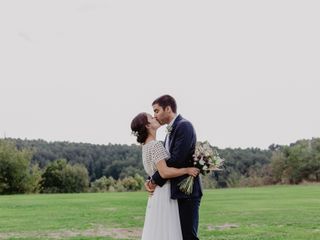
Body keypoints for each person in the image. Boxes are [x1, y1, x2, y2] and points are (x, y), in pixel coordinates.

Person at [131, 112, 199, 240]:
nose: (155, 117)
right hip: (164, 192)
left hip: (156, 194)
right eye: (151, 117)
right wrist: (186, 170)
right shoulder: (155, 145)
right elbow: (164, 172)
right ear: (147, 126)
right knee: (168, 230)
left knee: (159, 230)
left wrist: (151, 180)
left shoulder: (145, 146)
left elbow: (154, 171)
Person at [146, 94, 202, 240]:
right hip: (175, 191)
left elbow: (176, 160)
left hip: (187, 192)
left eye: (157, 111)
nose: (155, 115)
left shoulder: (184, 126)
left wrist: (154, 180)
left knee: (188, 236)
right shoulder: (169, 132)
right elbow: (163, 162)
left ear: (168, 109)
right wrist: (151, 179)